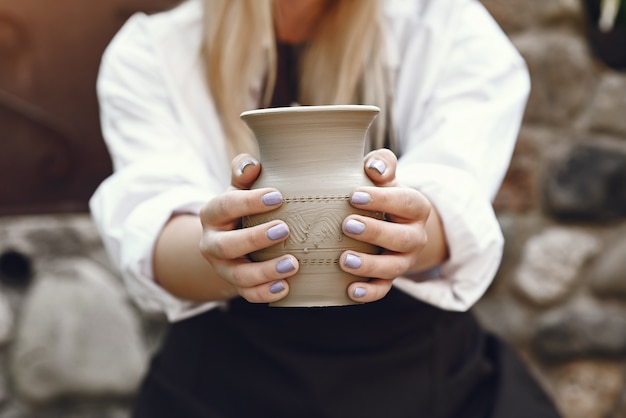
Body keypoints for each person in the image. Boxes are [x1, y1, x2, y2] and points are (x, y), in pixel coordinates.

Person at [90, 0, 562, 417]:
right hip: (231, 373)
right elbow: (150, 225)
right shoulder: (152, 52)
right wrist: (223, 249)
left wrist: (405, 233)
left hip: (418, 370)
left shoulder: (446, 25)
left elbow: (456, 195)